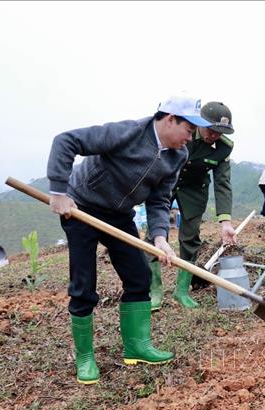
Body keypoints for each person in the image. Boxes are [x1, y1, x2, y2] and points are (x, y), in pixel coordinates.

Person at [47, 94, 213, 384]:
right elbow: (66, 141)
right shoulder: (128, 133)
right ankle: (85, 358)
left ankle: (137, 347)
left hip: (119, 214)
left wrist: (160, 237)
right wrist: (59, 192)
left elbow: (160, 199)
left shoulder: (178, 155)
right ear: (170, 119)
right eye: (189, 129)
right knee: (84, 284)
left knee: (139, 276)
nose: (191, 137)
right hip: (80, 207)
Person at [149, 102, 237, 310]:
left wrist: (225, 222)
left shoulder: (224, 147)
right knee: (155, 234)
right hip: (165, 183)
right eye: (211, 129)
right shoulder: (182, 131)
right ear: (199, 123)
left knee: (190, 238)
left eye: (219, 132)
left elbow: (223, 183)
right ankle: (154, 291)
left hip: (195, 190)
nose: (214, 135)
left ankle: (182, 291)